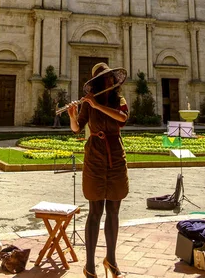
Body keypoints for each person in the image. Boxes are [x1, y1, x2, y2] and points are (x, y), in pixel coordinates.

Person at [68, 63, 129, 278]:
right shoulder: (88, 103)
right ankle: (90, 265)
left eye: (111, 78)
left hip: (115, 155)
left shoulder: (118, 101)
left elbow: (122, 119)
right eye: (105, 78)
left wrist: (96, 105)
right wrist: (72, 115)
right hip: (95, 156)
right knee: (95, 212)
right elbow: (77, 128)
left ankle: (111, 260)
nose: (110, 81)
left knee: (113, 210)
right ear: (97, 82)